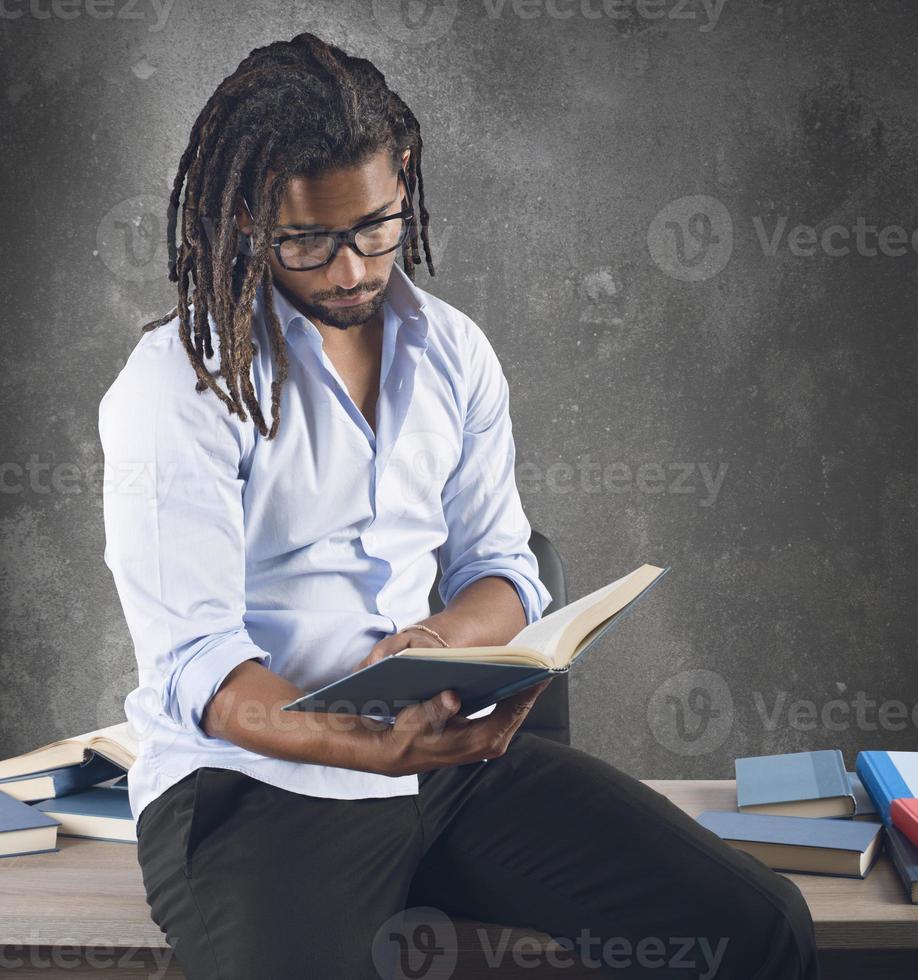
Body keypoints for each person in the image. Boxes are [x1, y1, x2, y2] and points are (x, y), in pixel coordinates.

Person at [98, 31, 821, 980]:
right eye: (307, 240)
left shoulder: (456, 355)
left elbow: (505, 568)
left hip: (442, 764)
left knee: (761, 927)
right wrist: (363, 743)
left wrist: (439, 643)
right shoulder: (179, 386)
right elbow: (204, 671)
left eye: (376, 227)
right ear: (243, 215)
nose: (352, 268)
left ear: (404, 179)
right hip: (254, 786)